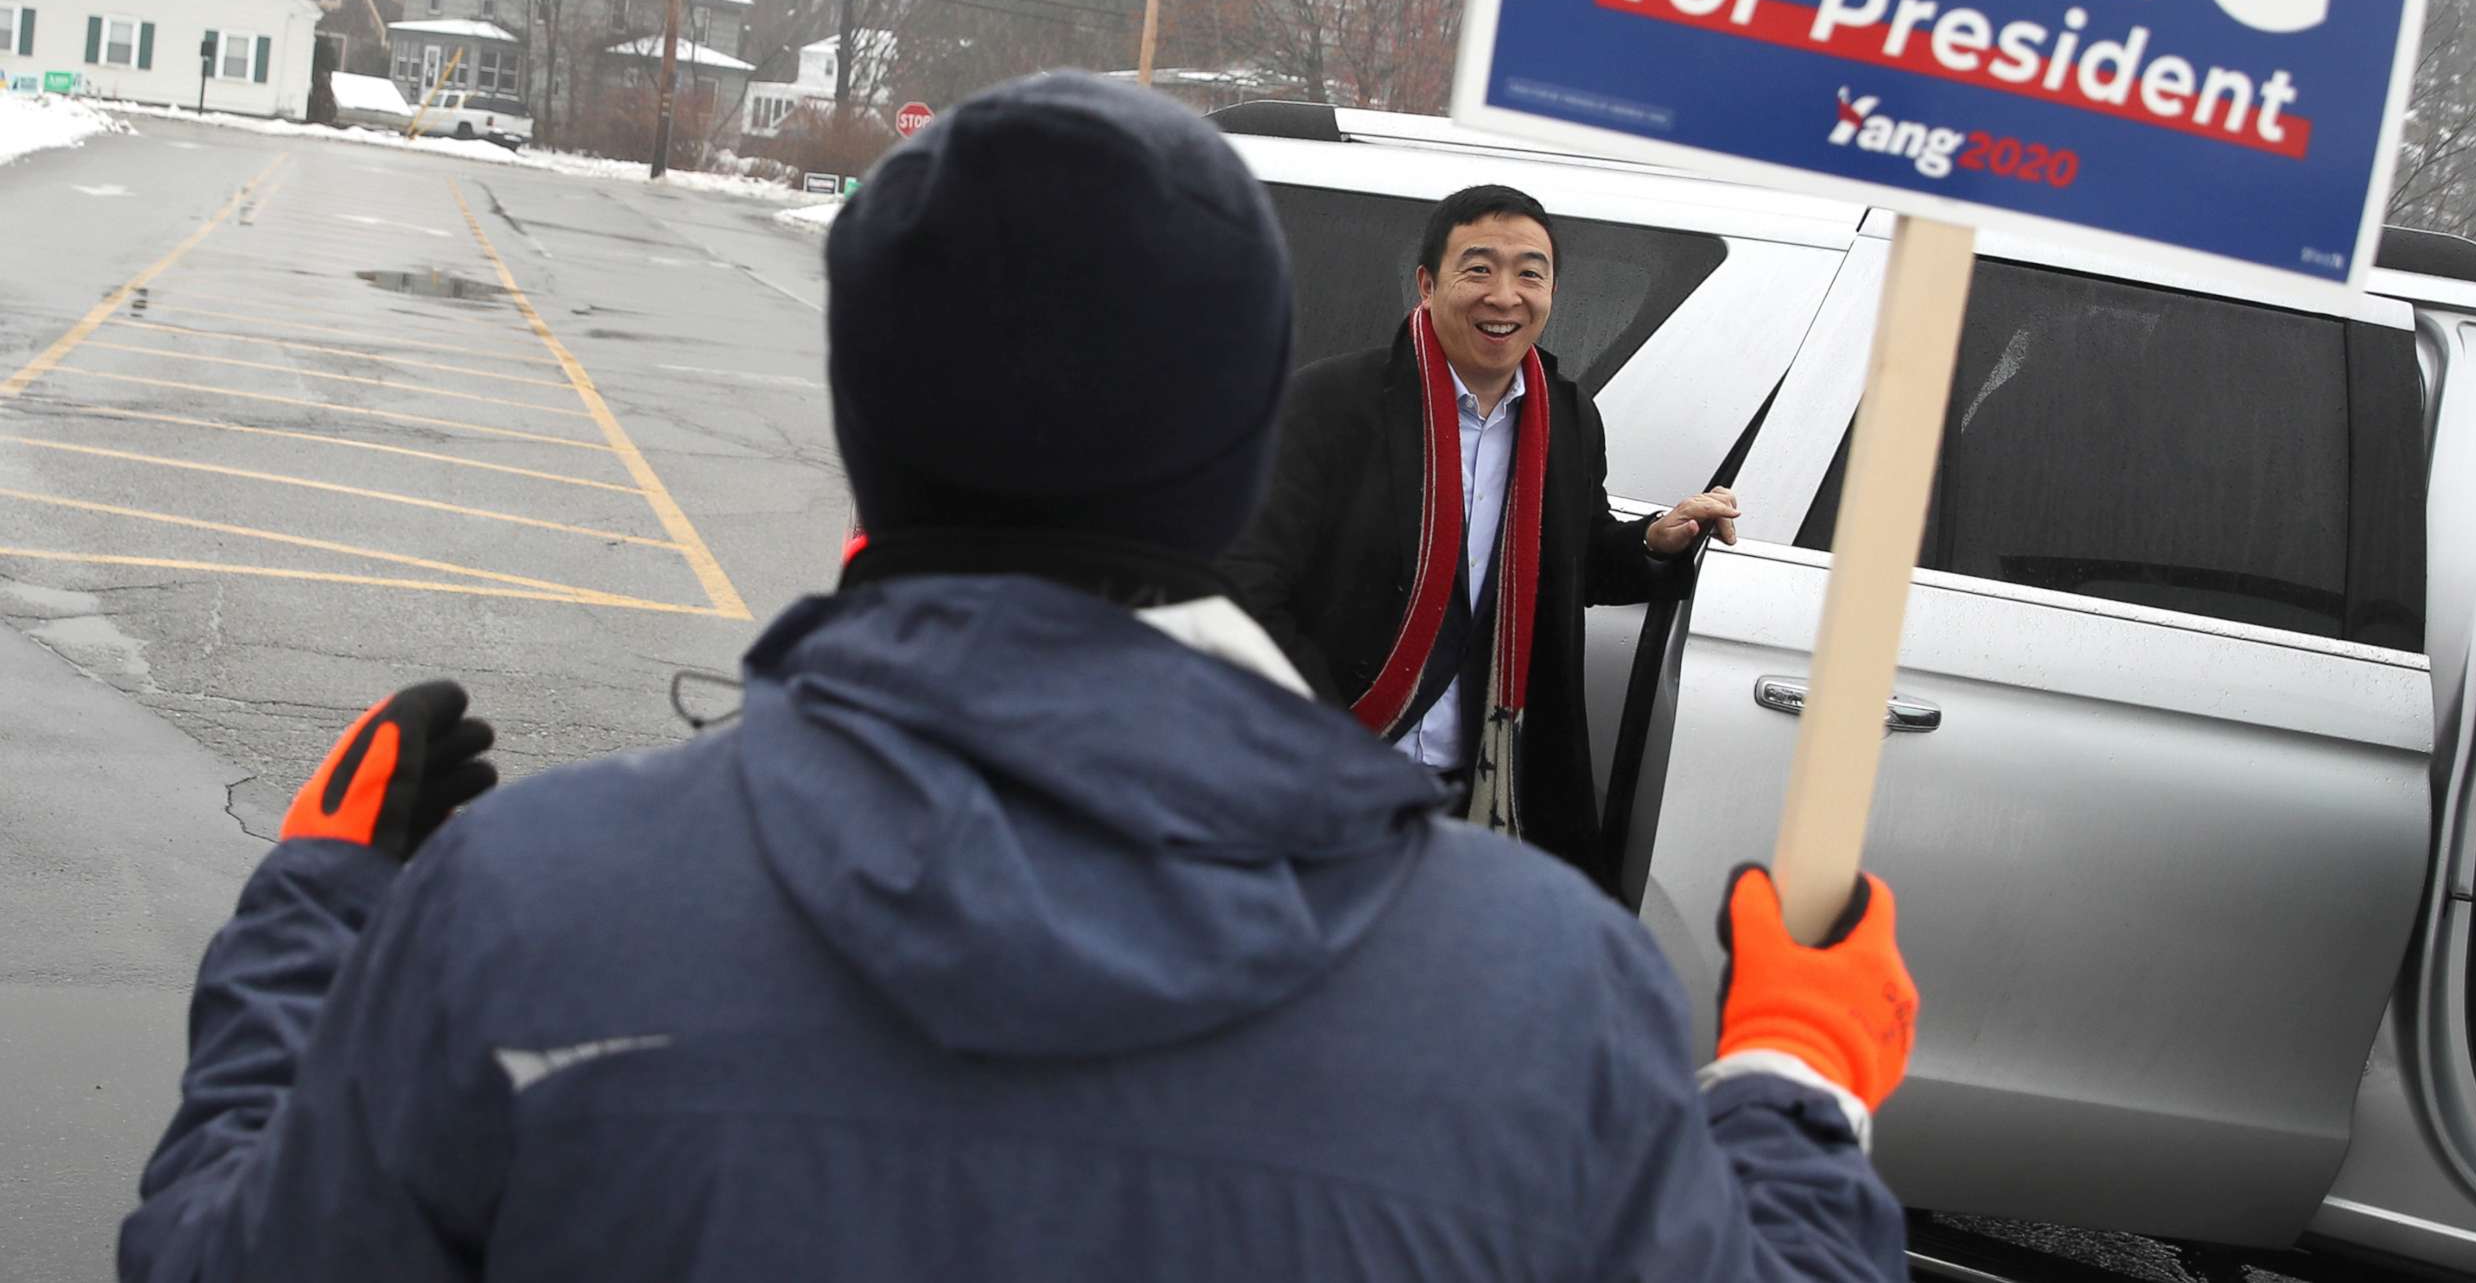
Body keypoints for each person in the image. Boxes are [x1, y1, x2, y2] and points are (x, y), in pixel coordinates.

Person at [122, 75, 1914, 1282]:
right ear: (1234, 461)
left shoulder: (521, 921)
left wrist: (311, 918)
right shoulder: (1548, 1000)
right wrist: (1795, 1087)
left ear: (861, 427)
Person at [1222, 183, 1740, 884]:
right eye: (1479, 268)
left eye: (1531, 272)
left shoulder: (1566, 417)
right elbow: (1244, 591)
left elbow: (1571, 564)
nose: (1506, 295)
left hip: (1482, 792)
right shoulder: (1329, 404)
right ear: (1428, 283)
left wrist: (1655, 540)